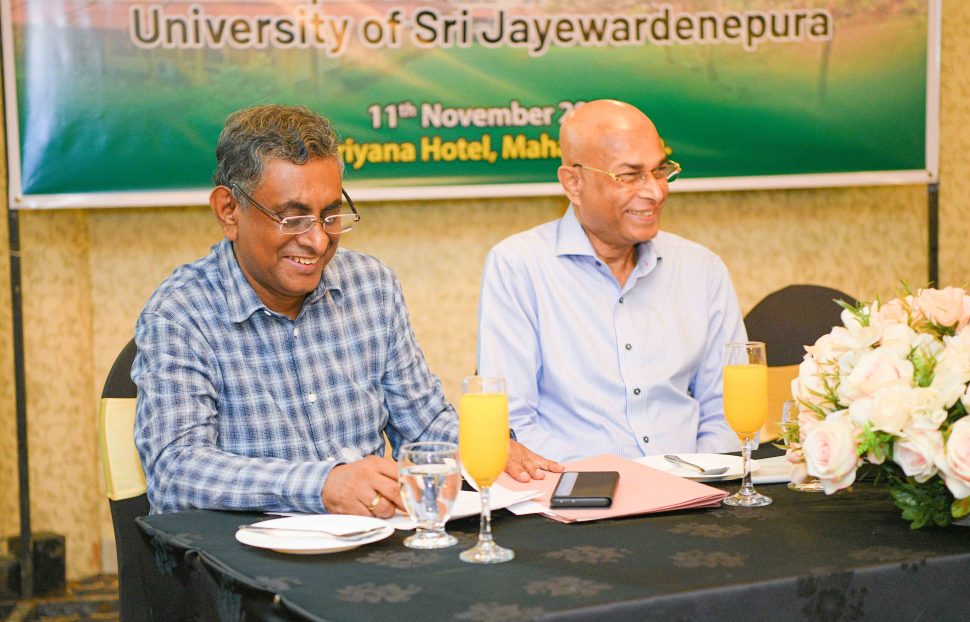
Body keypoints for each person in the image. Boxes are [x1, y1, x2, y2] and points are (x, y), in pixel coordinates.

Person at [134, 104, 559, 516]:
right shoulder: (180, 314)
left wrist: (484, 449)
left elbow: (424, 423)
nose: (318, 241)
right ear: (229, 211)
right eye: (292, 219)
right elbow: (176, 469)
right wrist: (323, 485)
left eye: (331, 215)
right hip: (248, 553)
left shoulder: (372, 286)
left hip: (374, 541)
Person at [476, 99, 746, 462]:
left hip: (695, 488)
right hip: (576, 489)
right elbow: (511, 425)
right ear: (573, 183)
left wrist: (696, 476)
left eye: (660, 170)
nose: (655, 191)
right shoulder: (519, 267)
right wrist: (617, 481)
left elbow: (728, 413)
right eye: (630, 176)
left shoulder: (702, 270)